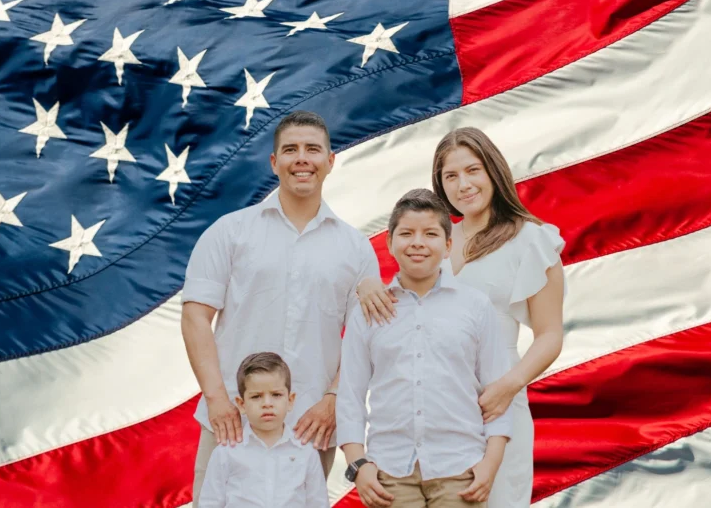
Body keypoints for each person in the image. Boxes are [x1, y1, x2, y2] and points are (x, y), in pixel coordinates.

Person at [356, 128, 565, 507]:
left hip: (496, 400)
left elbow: (550, 334)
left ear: (493, 171)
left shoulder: (531, 239)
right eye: (450, 176)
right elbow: (401, 303)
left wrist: (507, 386)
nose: (463, 184)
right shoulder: (436, 237)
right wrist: (367, 284)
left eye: (473, 170)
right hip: (434, 407)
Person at [181, 110, 380, 506]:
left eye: (312, 149)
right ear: (274, 162)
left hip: (311, 424)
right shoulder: (229, 231)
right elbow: (195, 318)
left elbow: (365, 335)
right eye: (290, 150)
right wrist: (219, 399)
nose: (301, 158)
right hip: (233, 422)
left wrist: (334, 399)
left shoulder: (355, 248)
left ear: (330, 161)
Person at [338, 188, 513, 508]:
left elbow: (498, 393)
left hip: (460, 471)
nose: (417, 242)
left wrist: (490, 464)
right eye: (406, 233)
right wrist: (358, 465)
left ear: (448, 245)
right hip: (389, 475)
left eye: (430, 233)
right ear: (390, 243)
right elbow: (350, 396)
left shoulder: (475, 306)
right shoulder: (369, 312)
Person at [198, 352, 330, 508]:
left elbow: (318, 504)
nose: (267, 403)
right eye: (256, 397)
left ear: (290, 401)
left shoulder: (306, 453)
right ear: (241, 404)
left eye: (276, 395)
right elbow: (210, 503)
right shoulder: (226, 453)